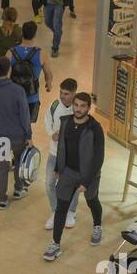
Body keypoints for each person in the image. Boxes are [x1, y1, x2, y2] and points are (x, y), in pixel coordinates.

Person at [45, 92, 105, 258]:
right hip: (68, 172)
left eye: (82, 106)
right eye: (76, 105)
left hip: (89, 174)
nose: (78, 109)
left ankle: (97, 225)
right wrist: (58, 167)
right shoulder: (66, 122)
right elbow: (61, 147)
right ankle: (55, 244)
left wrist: (86, 181)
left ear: (88, 107)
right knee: (61, 208)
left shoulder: (95, 129)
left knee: (92, 201)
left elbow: (99, 157)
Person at [0, 57, 33, 209]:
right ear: (9, 70)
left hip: (1, 136)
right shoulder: (17, 90)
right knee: (18, 162)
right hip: (18, 136)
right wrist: (28, 135)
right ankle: (18, 188)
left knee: (3, 166)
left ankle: (2, 198)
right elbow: (24, 115)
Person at [43, 78, 78, 230]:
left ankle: (70, 211)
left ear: (74, 93)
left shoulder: (78, 108)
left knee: (73, 185)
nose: (63, 96)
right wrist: (52, 134)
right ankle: (56, 211)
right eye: (61, 93)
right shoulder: (54, 105)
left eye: (66, 94)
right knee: (49, 183)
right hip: (54, 153)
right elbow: (47, 122)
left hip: (71, 156)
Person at [10, 21, 51, 123]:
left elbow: (5, 76)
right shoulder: (41, 53)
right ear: (35, 34)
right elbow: (48, 73)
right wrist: (48, 84)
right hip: (32, 97)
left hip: (14, 96)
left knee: (13, 123)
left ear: (21, 33)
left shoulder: (11, 52)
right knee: (27, 125)